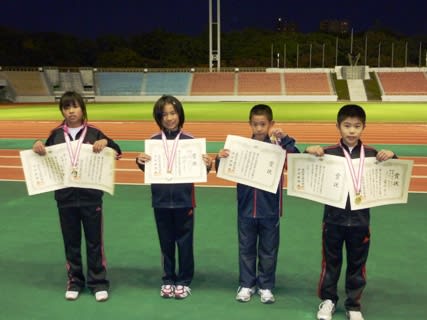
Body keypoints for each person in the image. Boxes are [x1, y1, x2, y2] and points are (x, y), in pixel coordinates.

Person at [305, 104, 396, 320]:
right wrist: (309, 151)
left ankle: (353, 305)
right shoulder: (326, 153)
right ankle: (328, 300)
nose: (352, 131)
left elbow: (395, 175)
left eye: (357, 126)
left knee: (357, 265)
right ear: (338, 126)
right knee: (331, 263)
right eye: (347, 126)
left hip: (360, 222)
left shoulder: (374, 155)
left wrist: (392, 155)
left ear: (364, 127)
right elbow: (304, 166)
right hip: (333, 221)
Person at [32, 91, 122, 302]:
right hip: (65, 198)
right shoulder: (55, 135)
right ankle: (75, 281)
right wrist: (38, 146)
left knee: (94, 242)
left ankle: (98, 282)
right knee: (71, 242)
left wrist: (106, 144)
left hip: (91, 197)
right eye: (66, 107)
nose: (71, 111)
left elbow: (117, 152)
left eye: (75, 107)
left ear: (83, 108)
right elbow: (44, 157)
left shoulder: (95, 132)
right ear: (62, 110)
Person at [216, 104, 299, 304]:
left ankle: (266, 286)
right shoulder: (241, 147)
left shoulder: (279, 148)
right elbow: (222, 168)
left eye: (263, 124)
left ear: (271, 124)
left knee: (269, 250)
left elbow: (295, 158)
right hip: (245, 209)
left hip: (270, 210)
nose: (259, 128)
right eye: (255, 124)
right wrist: (220, 158)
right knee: (246, 248)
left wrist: (284, 138)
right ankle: (246, 284)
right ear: (250, 124)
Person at [136, 95, 212, 299]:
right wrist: (140, 161)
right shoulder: (153, 142)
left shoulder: (190, 141)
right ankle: (168, 278)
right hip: (160, 202)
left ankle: (184, 280)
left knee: (185, 243)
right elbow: (148, 168)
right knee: (166, 243)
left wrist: (207, 164)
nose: (169, 118)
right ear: (158, 118)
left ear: (179, 114)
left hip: (184, 200)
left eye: (173, 113)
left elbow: (202, 170)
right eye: (164, 114)